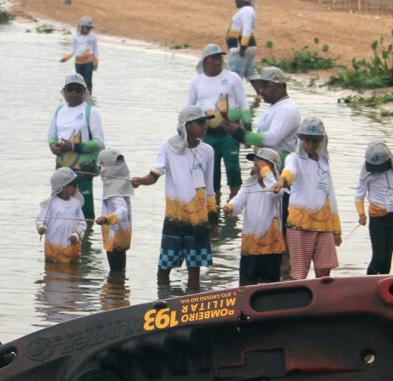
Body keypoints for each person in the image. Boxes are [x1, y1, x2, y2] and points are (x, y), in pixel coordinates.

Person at [132, 105, 216, 292]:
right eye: (200, 123)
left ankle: (191, 303)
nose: (205, 126)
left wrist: (213, 218)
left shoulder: (208, 151)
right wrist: (140, 181)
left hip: (198, 220)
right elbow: (155, 174)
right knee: (165, 265)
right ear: (187, 126)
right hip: (175, 218)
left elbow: (210, 187)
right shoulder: (169, 147)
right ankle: (163, 301)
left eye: (205, 122)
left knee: (194, 268)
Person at [271, 117, 341, 279]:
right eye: (306, 140)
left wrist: (336, 229)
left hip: (324, 225)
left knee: (325, 270)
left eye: (315, 140)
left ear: (322, 140)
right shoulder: (294, 159)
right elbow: (290, 171)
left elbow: (330, 194)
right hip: (300, 225)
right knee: (299, 272)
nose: (310, 144)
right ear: (300, 139)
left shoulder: (324, 162)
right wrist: (282, 181)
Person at [187, 44, 250, 206]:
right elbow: (189, 108)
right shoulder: (197, 81)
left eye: (220, 58)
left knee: (233, 169)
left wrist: (247, 133)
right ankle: (214, 206)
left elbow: (243, 105)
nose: (218, 61)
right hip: (207, 135)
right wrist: (186, 135)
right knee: (211, 174)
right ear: (205, 61)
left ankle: (234, 204)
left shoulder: (232, 78)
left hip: (230, 134)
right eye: (214, 58)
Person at [224, 148, 286, 285]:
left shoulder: (275, 187)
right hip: (251, 245)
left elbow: (275, 193)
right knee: (247, 283)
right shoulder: (249, 185)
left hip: (272, 246)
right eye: (255, 165)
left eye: (261, 166)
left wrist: (266, 173)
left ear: (272, 169)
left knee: (270, 283)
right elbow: (239, 200)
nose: (257, 169)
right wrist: (230, 207)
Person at [48, 73, 104, 221]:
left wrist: (73, 146)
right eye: (70, 89)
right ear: (64, 91)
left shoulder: (91, 111)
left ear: (84, 92)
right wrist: (54, 147)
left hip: (83, 170)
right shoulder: (59, 111)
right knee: (59, 208)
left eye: (78, 89)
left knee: (84, 210)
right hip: (62, 170)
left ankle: (86, 240)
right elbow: (51, 136)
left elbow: (99, 142)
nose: (73, 93)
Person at [355, 141, 393, 275]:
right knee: (378, 256)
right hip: (377, 218)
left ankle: (384, 284)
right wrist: (361, 213)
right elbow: (359, 196)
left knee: (387, 257)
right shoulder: (368, 174)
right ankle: (368, 284)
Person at [225, 66, 299, 160]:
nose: (261, 91)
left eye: (266, 87)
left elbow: (272, 139)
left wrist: (241, 134)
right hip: (266, 166)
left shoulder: (287, 110)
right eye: (260, 87)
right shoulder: (274, 106)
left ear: (280, 86)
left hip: (280, 169)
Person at [37, 167, 86, 263]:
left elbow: (82, 224)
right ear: (63, 188)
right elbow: (41, 220)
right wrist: (41, 227)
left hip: (72, 251)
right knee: (53, 272)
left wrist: (76, 235)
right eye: (74, 185)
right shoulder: (50, 204)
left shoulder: (76, 204)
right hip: (53, 250)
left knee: (73, 274)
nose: (76, 188)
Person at [94, 148, 132, 275]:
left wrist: (107, 219)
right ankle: (119, 291)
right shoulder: (121, 187)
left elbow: (122, 211)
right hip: (122, 236)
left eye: (101, 169)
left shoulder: (114, 192)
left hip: (114, 237)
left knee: (115, 272)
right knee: (120, 271)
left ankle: (115, 292)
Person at [59, 16, 100, 91]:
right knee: (80, 82)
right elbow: (73, 50)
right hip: (78, 62)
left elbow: (95, 50)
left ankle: (89, 96)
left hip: (88, 62)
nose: (88, 30)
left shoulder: (92, 37)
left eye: (89, 28)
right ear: (82, 27)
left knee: (88, 81)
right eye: (86, 27)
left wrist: (96, 62)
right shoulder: (76, 37)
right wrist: (66, 58)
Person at [226, 0, 258, 79]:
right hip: (249, 46)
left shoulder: (245, 11)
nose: (235, 2)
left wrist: (243, 47)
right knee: (251, 74)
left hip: (240, 48)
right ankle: (261, 92)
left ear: (243, 0)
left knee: (234, 76)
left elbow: (246, 29)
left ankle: (234, 93)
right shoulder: (248, 10)